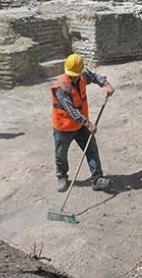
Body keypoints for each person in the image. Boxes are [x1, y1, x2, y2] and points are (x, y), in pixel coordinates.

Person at [51, 53, 115, 192]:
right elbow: (71, 110)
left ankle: (96, 179)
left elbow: (94, 76)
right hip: (64, 127)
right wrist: (89, 124)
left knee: (91, 149)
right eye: (71, 74)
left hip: (80, 125)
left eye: (76, 74)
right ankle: (62, 177)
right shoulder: (60, 87)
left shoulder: (82, 75)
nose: (73, 77)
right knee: (61, 154)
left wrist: (106, 84)